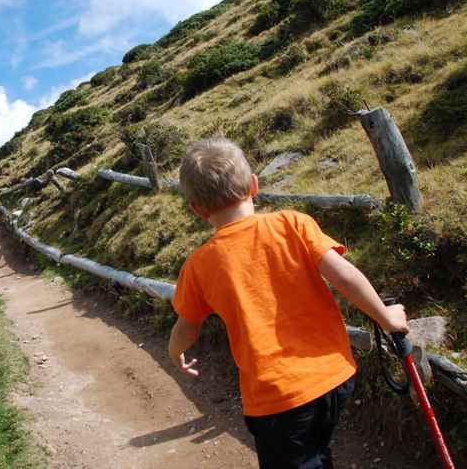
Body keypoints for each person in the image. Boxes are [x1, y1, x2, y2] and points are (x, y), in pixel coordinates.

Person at [167, 138, 408, 469]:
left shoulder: (198, 265)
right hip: (335, 377)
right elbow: (345, 277)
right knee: (317, 450)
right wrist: (386, 318)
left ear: (196, 209)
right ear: (254, 184)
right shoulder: (293, 223)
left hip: (277, 400)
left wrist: (174, 352)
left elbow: (187, 326)